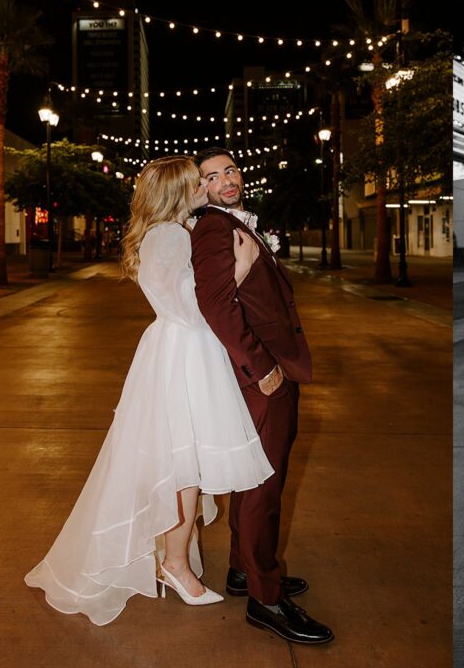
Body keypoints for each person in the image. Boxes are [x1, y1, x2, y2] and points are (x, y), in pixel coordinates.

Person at [25, 156, 274, 625]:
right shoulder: (169, 237)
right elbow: (196, 311)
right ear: (178, 189)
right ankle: (174, 565)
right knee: (185, 468)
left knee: (187, 466)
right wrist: (239, 272)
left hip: (186, 352)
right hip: (184, 354)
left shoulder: (173, 232)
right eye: (196, 181)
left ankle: (173, 558)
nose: (205, 185)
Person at [191, 147, 333, 645]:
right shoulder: (213, 228)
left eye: (229, 169)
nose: (226, 179)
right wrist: (262, 367)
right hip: (259, 376)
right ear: (200, 189)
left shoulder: (234, 222)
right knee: (263, 486)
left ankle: (242, 571)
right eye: (212, 176)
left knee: (257, 479)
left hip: (271, 368)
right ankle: (265, 599)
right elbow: (214, 304)